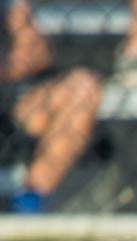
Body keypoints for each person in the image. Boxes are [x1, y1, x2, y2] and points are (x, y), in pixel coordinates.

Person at [1, 0, 101, 212]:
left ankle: (30, 203)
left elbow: (34, 51)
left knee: (82, 88)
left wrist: (9, 67)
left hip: (14, 101)